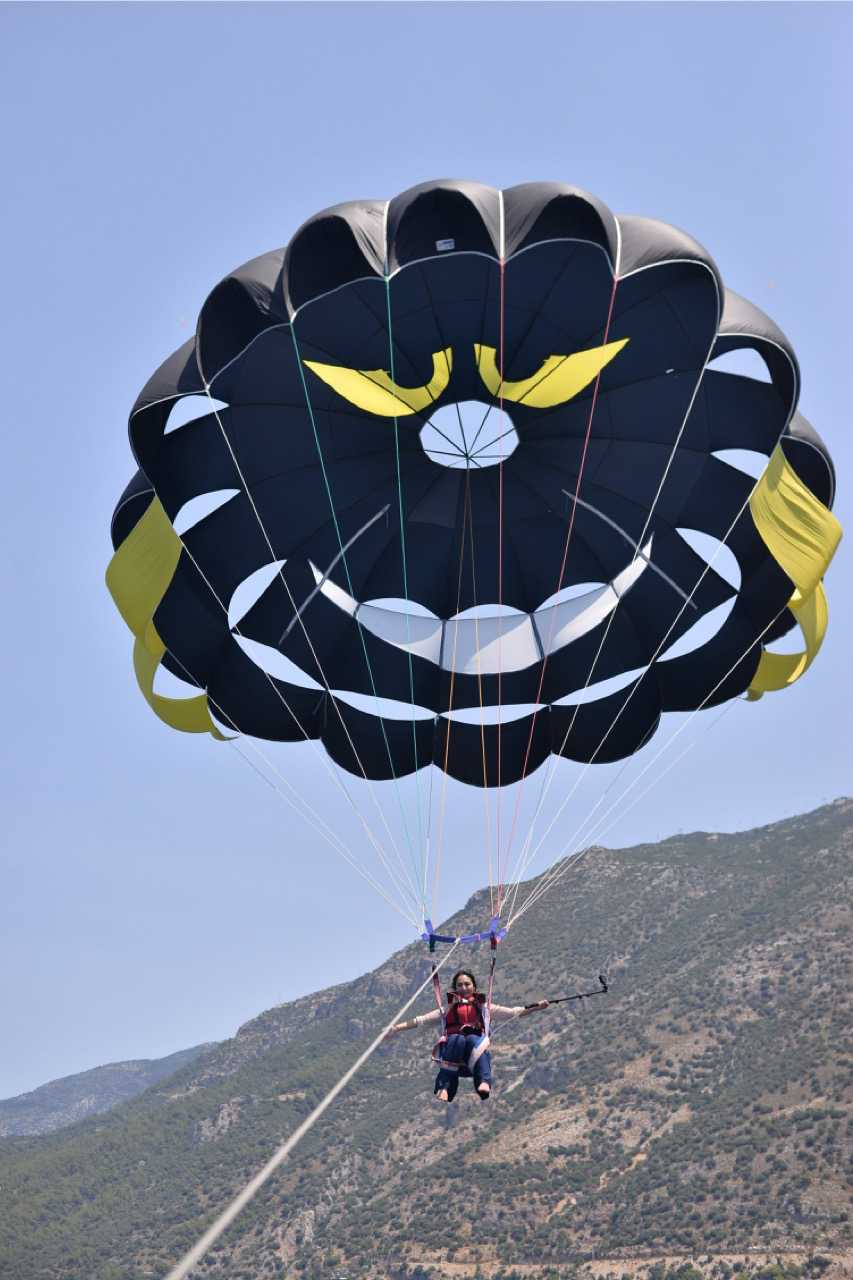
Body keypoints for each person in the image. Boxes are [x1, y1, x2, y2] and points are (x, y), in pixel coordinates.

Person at [386, 968, 549, 1102]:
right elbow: (420, 1020)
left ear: (474, 987)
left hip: (474, 1058)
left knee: (473, 1038)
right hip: (454, 1057)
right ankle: (445, 1087)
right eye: (459, 985)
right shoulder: (447, 1010)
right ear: (455, 988)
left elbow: (514, 1012)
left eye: (467, 984)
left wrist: (537, 1007)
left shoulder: (485, 1008)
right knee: (456, 1038)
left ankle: (484, 1082)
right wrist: (396, 1028)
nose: (463, 988)